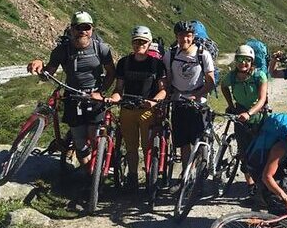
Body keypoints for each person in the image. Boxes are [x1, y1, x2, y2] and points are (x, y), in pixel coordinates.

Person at [26, 11, 115, 171]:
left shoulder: (101, 49)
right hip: (72, 98)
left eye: (86, 27)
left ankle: (97, 175)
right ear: (72, 29)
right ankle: (90, 177)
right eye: (78, 27)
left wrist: (101, 92)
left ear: (92, 29)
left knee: (95, 138)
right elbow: (47, 74)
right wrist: (38, 63)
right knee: (80, 143)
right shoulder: (62, 51)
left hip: (95, 98)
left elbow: (111, 72)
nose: (82, 31)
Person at [106, 26, 167, 191]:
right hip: (127, 110)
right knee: (131, 146)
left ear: (149, 44)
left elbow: (163, 89)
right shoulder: (123, 63)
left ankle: (149, 175)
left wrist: (154, 101)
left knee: (148, 147)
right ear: (132, 43)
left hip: (147, 111)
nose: (139, 44)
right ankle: (132, 177)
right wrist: (114, 98)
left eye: (143, 42)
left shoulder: (157, 65)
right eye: (136, 41)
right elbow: (119, 88)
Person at [163, 21, 216, 170]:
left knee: (197, 141)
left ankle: (199, 175)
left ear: (193, 37)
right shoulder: (171, 54)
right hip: (178, 102)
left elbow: (210, 82)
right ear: (176, 36)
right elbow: (168, 79)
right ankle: (185, 177)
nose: (185, 39)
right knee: (183, 143)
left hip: (198, 104)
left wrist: (197, 95)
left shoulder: (202, 54)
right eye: (181, 35)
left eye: (188, 36)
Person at [220, 44, 268, 196]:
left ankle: (263, 181)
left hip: (258, 116)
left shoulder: (259, 76)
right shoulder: (232, 76)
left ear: (252, 61)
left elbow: (262, 100)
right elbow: (223, 86)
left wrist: (249, 113)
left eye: (247, 60)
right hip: (240, 114)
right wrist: (231, 105)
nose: (243, 63)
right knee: (243, 150)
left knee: (260, 151)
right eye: (240, 59)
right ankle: (250, 184)